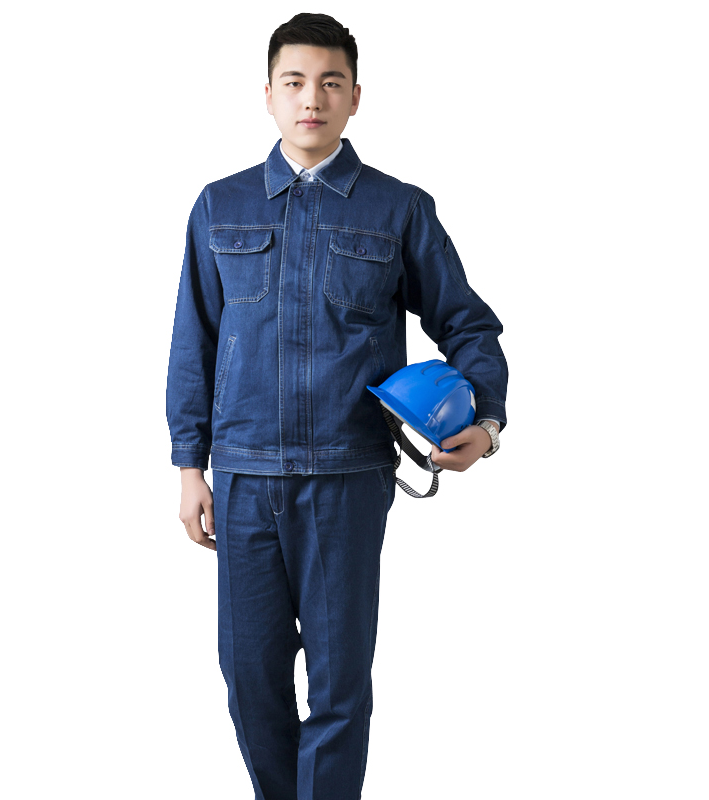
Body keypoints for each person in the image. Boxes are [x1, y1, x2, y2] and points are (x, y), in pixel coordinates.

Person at [166, 13, 508, 799]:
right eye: (294, 82)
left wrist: (485, 423)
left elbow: (467, 324)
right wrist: (189, 465)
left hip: (347, 478)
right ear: (268, 95)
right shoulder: (219, 206)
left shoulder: (398, 209)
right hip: (244, 476)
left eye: (330, 83)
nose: (311, 99)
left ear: (356, 97)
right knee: (248, 678)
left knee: (339, 687)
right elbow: (194, 341)